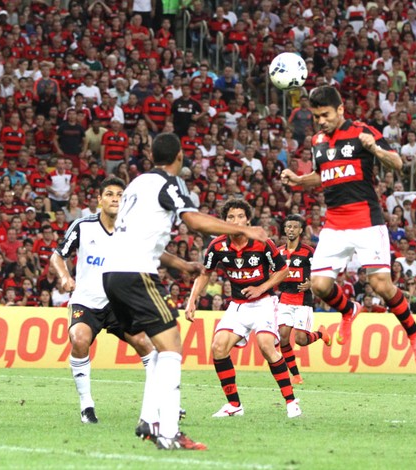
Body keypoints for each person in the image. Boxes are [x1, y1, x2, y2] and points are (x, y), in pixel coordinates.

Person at [102, 133, 267, 450]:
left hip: (113, 274)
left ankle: (149, 421)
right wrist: (243, 228)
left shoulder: (136, 185)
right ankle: (169, 431)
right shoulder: (169, 183)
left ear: (152, 156)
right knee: (172, 345)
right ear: (179, 156)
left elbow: (138, 236)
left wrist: (181, 265)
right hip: (136, 273)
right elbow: (194, 221)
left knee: (157, 348)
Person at [280, 86, 416, 371]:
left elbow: (397, 163)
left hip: (366, 220)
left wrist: (373, 148)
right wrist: (299, 181)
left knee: (381, 285)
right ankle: (349, 309)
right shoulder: (317, 141)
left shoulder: (363, 132)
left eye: (325, 115)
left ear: (340, 110)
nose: (321, 121)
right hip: (334, 223)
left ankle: (415, 334)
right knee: (320, 285)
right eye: (316, 116)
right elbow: (322, 175)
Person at [185, 199, 301, 419]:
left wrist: (261, 288)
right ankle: (234, 405)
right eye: (230, 217)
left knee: (266, 346)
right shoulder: (218, 245)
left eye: (240, 216)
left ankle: (291, 401)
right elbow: (205, 273)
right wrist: (192, 300)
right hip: (237, 305)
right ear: (224, 221)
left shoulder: (263, 243)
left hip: (264, 303)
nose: (235, 220)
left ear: (248, 219)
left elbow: (283, 271)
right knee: (218, 347)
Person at [50, 177, 152, 425]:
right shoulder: (82, 226)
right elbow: (57, 256)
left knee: (146, 344)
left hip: (120, 303)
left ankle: (161, 401)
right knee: (80, 339)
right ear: (99, 200)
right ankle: (87, 405)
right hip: (86, 301)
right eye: (109, 194)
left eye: (119, 195)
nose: (115, 198)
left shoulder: (132, 230)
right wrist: (64, 276)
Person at [277, 215, 331, 385]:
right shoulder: (278, 252)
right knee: (283, 338)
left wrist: (311, 283)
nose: (291, 230)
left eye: (294, 227)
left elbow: (319, 271)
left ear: (300, 230)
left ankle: (321, 333)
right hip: (285, 299)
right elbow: (272, 272)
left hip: (302, 301)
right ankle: (296, 375)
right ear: (285, 230)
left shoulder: (308, 252)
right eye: (288, 227)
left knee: (300, 340)